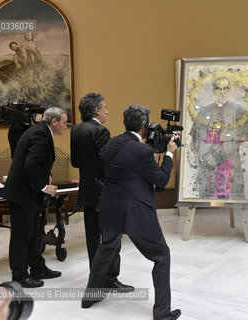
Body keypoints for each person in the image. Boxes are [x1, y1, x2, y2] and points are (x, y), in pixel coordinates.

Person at [82, 105, 181, 320]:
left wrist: (154, 150)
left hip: (110, 207)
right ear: (144, 125)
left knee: (106, 249)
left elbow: (130, 164)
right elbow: (161, 179)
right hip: (135, 211)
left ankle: (90, 296)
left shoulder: (112, 143)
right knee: (162, 256)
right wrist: (170, 155)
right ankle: (162, 312)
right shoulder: (142, 151)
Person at [70, 93, 132, 291]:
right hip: (104, 193)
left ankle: (96, 280)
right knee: (111, 240)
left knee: (92, 240)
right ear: (97, 110)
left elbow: (76, 162)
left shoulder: (76, 130)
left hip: (87, 191)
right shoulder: (101, 131)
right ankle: (110, 280)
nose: (107, 111)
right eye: (104, 107)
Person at [3, 107, 67, 288]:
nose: (66, 125)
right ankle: (19, 275)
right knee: (21, 236)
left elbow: (36, 163)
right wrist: (45, 187)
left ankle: (38, 268)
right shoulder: (41, 135)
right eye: (64, 121)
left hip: (27, 192)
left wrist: (45, 176)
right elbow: (30, 166)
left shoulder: (40, 132)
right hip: (22, 193)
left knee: (33, 233)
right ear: (54, 122)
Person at [189, 76, 248, 199]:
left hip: (229, 165)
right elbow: (196, 139)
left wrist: (217, 156)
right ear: (213, 90)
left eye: (225, 89)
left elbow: (235, 141)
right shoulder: (204, 111)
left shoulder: (240, 112)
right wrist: (205, 155)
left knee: (230, 197)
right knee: (206, 199)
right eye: (218, 88)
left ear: (229, 90)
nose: (222, 92)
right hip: (206, 167)